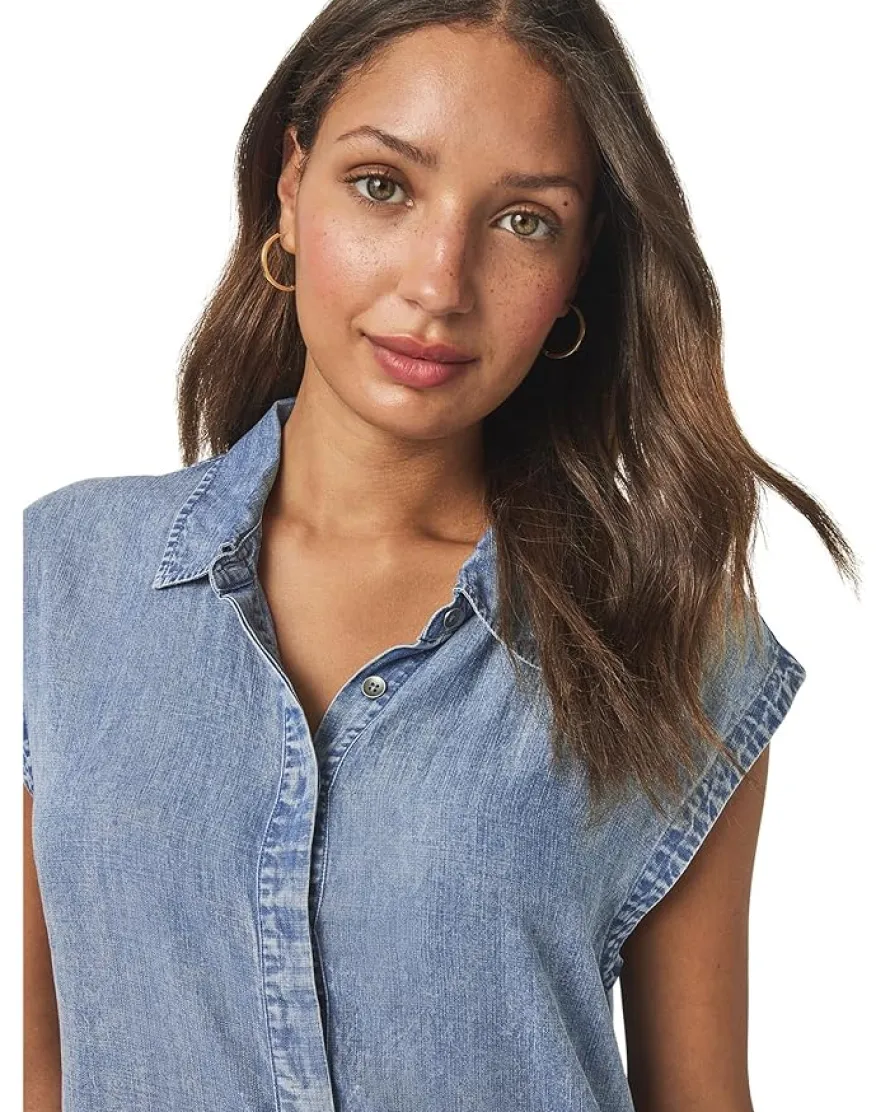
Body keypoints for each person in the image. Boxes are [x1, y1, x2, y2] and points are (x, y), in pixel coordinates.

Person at [23, 2, 859, 1110]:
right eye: (383, 185)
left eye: (523, 220)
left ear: (579, 269)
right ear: (291, 184)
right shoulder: (69, 572)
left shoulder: (669, 647)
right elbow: (45, 1066)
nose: (439, 283)